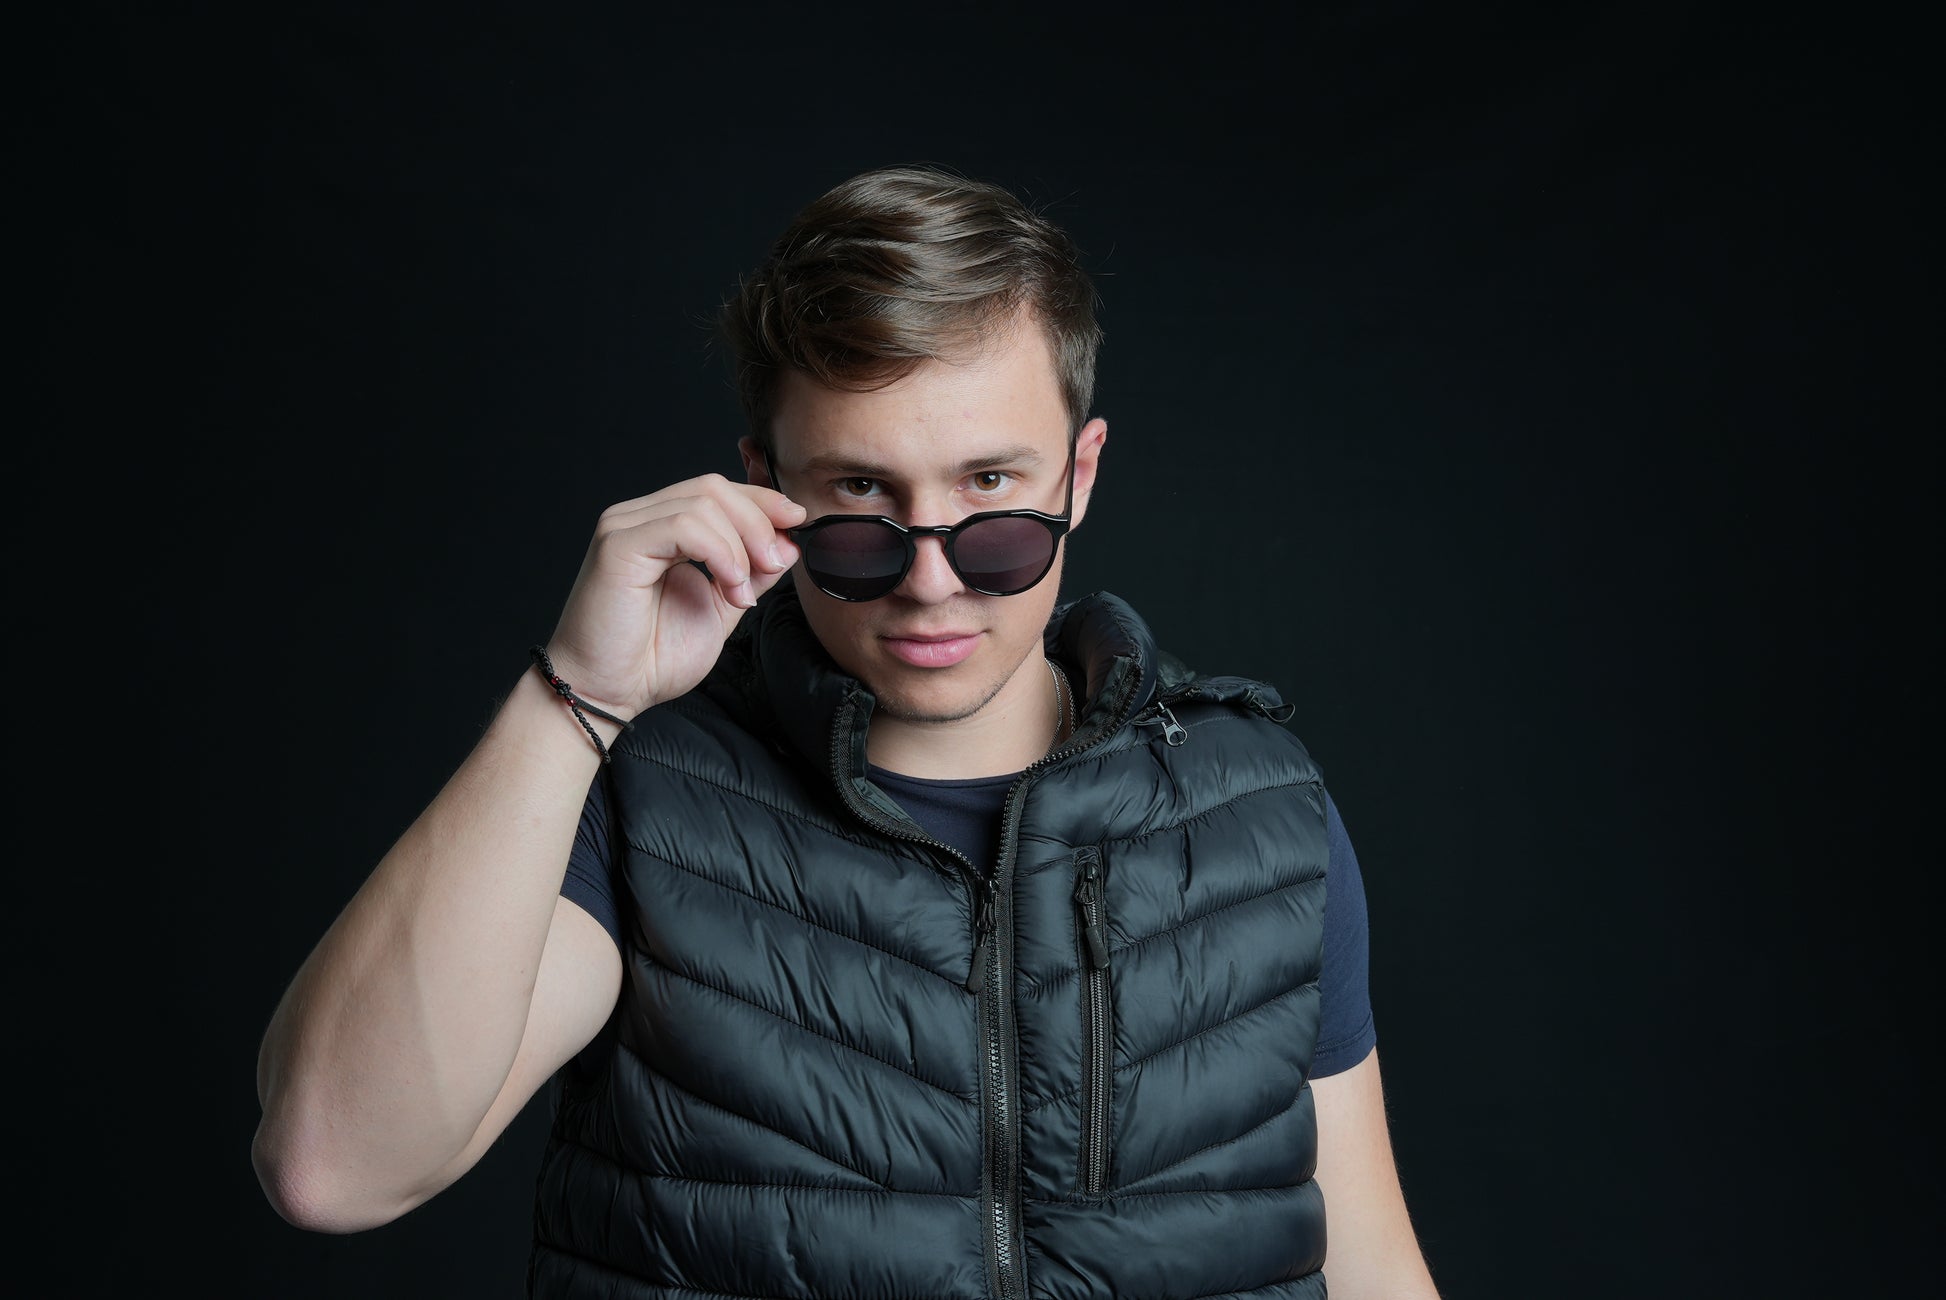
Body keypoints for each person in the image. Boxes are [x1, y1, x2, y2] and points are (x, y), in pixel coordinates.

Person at [252, 162, 1442, 1299]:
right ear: (764, 484)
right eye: (861, 497)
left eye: (989, 491)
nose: (930, 581)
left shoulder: (1256, 809)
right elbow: (332, 1165)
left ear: (1079, 475)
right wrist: (576, 695)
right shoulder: (636, 798)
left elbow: (1370, 1268)